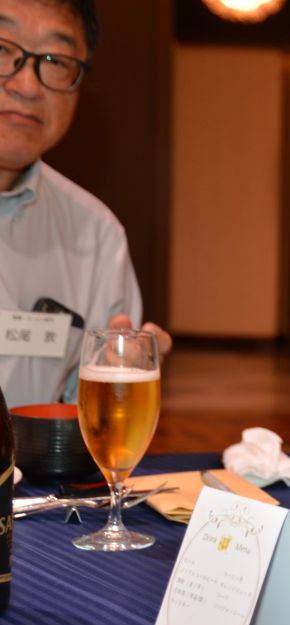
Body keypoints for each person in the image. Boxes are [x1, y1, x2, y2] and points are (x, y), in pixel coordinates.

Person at [0, 0, 171, 408]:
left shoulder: (96, 235)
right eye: (1, 49)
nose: (27, 85)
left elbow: (96, 418)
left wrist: (121, 386)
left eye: (55, 60)